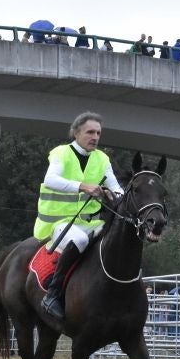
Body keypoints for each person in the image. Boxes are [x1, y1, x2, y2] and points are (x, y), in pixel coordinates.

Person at [33, 111, 123, 320]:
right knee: (80, 239)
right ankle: (53, 295)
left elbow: (117, 188)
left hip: (90, 222)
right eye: (90, 132)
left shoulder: (102, 158)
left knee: (117, 239)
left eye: (98, 133)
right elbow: (50, 180)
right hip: (57, 223)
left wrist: (116, 196)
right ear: (76, 133)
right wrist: (84, 187)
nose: (95, 137)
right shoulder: (61, 153)